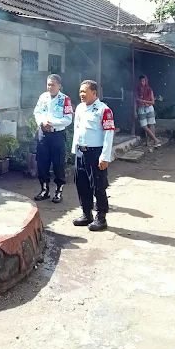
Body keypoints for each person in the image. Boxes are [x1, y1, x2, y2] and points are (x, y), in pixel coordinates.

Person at [71, 80, 115, 232]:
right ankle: (86, 214)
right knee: (81, 183)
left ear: (94, 93)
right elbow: (77, 129)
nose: (81, 94)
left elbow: (109, 133)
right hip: (80, 151)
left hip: (95, 153)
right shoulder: (80, 108)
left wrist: (105, 157)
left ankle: (101, 217)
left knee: (98, 185)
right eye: (80, 92)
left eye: (84, 92)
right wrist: (75, 149)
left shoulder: (104, 110)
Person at [33, 74, 73, 203]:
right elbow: (37, 112)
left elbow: (68, 119)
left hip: (57, 134)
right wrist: (42, 122)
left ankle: (58, 191)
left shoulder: (65, 99)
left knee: (58, 163)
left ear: (59, 86)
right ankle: (44, 190)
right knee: (42, 162)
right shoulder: (43, 97)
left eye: (53, 85)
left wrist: (52, 124)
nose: (50, 87)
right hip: (43, 134)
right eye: (48, 84)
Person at [135, 75, 161, 148]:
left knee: (151, 125)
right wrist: (135, 111)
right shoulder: (137, 90)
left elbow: (152, 102)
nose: (142, 82)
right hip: (141, 109)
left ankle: (149, 142)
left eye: (143, 81)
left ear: (146, 81)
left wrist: (144, 101)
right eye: (141, 81)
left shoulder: (149, 90)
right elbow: (135, 101)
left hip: (149, 108)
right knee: (144, 126)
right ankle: (155, 139)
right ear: (139, 81)